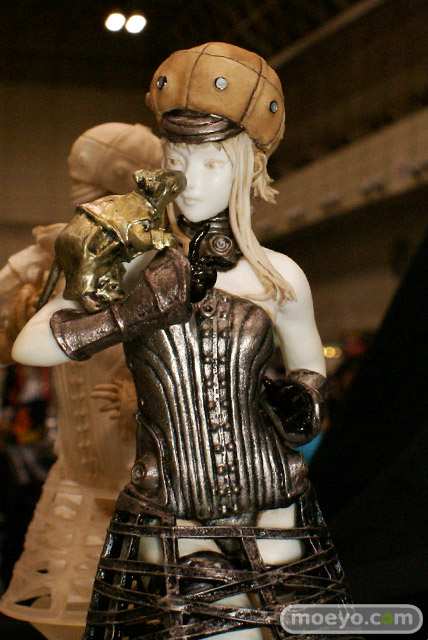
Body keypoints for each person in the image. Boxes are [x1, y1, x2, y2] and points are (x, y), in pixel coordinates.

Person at [13, 44, 352, 640]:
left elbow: (309, 373)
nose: (191, 181)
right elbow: (30, 345)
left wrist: (302, 401)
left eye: (213, 163)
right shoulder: (133, 261)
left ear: (247, 169)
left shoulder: (279, 277)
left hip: (272, 493)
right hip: (170, 499)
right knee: (207, 623)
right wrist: (132, 313)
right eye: (177, 159)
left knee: (277, 622)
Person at [0, 123, 161, 640]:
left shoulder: (163, 259)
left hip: (152, 480)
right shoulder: (46, 257)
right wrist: (14, 327)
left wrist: (147, 390)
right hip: (79, 473)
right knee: (73, 608)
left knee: (158, 606)